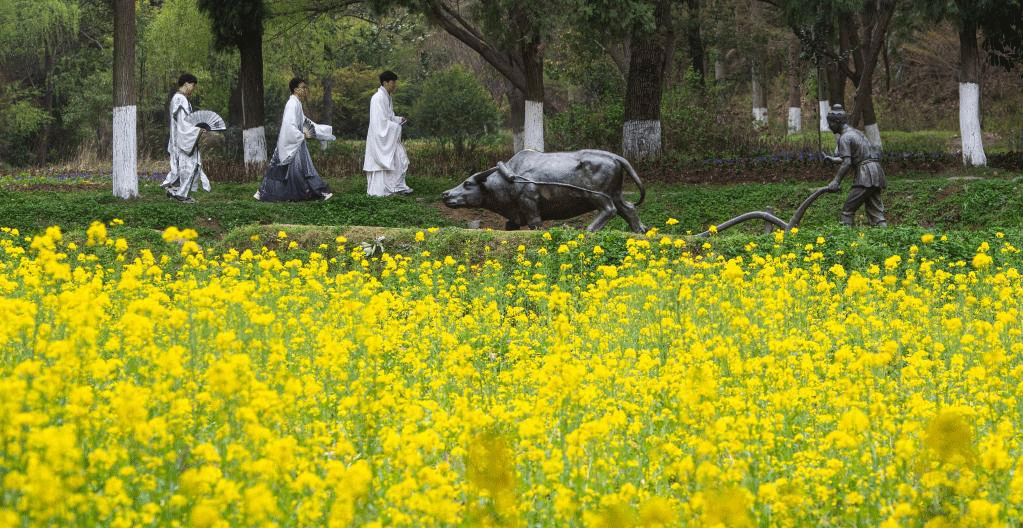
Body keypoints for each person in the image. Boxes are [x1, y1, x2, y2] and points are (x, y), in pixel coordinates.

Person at [255, 77, 334, 202]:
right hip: (293, 141)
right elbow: (289, 125)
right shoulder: (292, 104)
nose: (305, 90)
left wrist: (321, 131)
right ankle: (320, 192)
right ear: (295, 89)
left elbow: (303, 121)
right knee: (302, 168)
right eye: (302, 87)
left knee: (282, 168)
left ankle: (262, 192)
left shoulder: (296, 103)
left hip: (292, 141)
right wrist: (300, 135)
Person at [825, 104, 887, 227]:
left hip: (865, 176)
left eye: (830, 123)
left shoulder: (845, 138)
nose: (829, 127)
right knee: (876, 213)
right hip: (876, 172)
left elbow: (847, 162)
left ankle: (845, 241)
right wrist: (833, 159)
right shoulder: (856, 133)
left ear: (837, 122)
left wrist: (836, 181)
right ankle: (885, 239)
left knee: (847, 210)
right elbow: (853, 157)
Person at [161, 73, 210, 203]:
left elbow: (184, 122)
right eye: (193, 85)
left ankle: (175, 190)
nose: (193, 89)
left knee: (180, 166)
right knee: (190, 165)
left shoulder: (178, 98)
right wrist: (197, 130)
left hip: (179, 138)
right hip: (183, 140)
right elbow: (183, 123)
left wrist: (196, 129)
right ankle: (180, 194)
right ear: (186, 83)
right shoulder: (180, 99)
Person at [364, 70, 412, 196]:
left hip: (388, 136)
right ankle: (388, 189)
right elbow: (380, 123)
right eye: (393, 82)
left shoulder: (387, 97)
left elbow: (389, 117)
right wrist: (395, 126)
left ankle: (397, 187)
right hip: (380, 138)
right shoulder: (378, 98)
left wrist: (398, 120)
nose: (395, 85)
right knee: (395, 159)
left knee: (401, 159)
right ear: (385, 83)